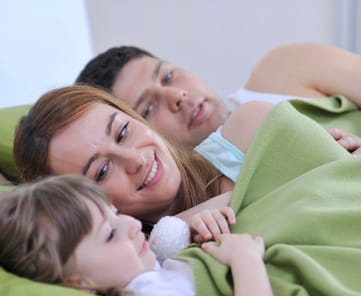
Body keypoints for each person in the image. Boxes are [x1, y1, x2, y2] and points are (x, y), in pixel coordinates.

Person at [0, 174, 279, 296]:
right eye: (110, 234)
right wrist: (246, 260)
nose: (132, 224)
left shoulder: (145, 271)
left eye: (116, 213)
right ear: (79, 283)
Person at [76, 43, 361, 155]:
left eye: (168, 75)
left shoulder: (281, 71)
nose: (177, 95)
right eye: (148, 107)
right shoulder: (208, 212)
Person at [14, 84, 270, 240]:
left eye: (123, 133)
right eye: (102, 170)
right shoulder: (154, 271)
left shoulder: (246, 129)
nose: (135, 159)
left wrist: (177, 225)